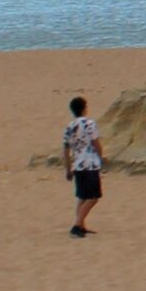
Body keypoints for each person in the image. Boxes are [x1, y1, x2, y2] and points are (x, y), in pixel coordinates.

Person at [61, 96, 105, 238]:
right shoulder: (89, 123)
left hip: (78, 165)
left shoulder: (69, 127)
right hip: (90, 164)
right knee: (94, 197)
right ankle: (77, 224)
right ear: (84, 108)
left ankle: (81, 225)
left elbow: (66, 150)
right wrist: (101, 156)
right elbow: (95, 142)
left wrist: (68, 168)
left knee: (82, 196)